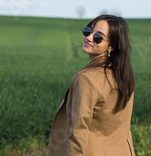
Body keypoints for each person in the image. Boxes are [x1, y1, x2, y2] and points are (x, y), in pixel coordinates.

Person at [47, 14, 136, 156]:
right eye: (88, 31)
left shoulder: (86, 79)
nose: (88, 38)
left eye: (98, 37)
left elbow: (78, 130)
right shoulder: (124, 75)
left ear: (111, 46)